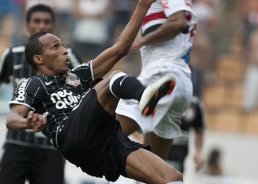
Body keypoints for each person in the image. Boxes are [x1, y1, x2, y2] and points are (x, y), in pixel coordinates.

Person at [5, 0, 186, 183]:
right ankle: (145, 96)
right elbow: (12, 119)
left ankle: (147, 99)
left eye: (62, 45)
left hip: (103, 144)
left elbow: (120, 49)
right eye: (55, 47)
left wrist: (143, 6)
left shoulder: (77, 75)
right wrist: (27, 122)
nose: (65, 51)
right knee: (113, 78)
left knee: (172, 178)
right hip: (70, 135)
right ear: (39, 59)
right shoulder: (33, 84)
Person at [0, 4, 82, 184]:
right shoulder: (12, 55)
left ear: (53, 26)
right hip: (16, 144)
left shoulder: (67, 56)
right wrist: (25, 122)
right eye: (36, 21)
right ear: (26, 25)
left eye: (47, 22)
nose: (42, 26)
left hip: (51, 148)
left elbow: (83, 91)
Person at [115, 0, 197, 159]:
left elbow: (178, 22)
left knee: (104, 134)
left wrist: (142, 41)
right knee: (154, 170)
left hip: (164, 74)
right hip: (180, 82)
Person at [166, 96, 206, 173]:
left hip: (180, 155)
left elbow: (199, 130)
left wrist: (198, 151)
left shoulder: (194, 104)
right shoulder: (161, 98)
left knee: (175, 178)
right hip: (159, 153)